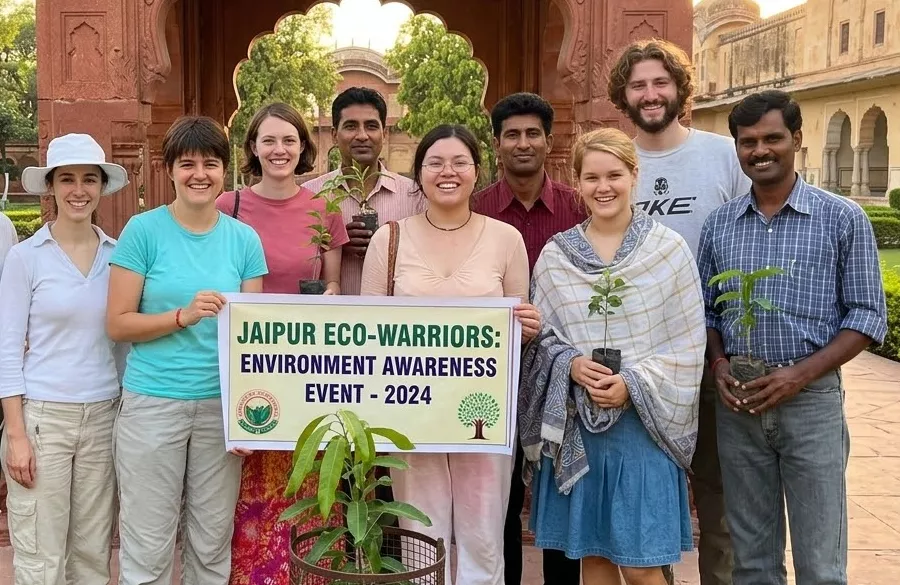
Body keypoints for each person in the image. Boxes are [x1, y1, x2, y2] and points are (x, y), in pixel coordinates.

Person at [698, 90, 887, 585]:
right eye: (747, 142)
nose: (760, 150)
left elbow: (868, 316)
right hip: (739, 406)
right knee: (753, 561)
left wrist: (798, 376)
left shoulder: (842, 218)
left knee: (820, 564)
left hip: (811, 404)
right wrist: (719, 366)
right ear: (737, 149)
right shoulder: (720, 225)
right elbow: (707, 312)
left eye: (772, 138)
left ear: (797, 140)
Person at [520, 127, 703, 585]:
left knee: (642, 569)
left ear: (634, 175)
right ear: (576, 181)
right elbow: (541, 338)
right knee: (595, 560)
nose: (604, 187)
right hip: (579, 426)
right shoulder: (556, 257)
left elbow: (687, 342)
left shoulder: (668, 251)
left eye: (614, 175)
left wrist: (631, 384)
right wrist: (572, 365)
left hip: (644, 427)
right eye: (592, 177)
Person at [360, 124, 541, 585]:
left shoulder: (505, 239)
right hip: (410, 411)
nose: (448, 172)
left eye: (459, 162)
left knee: (484, 535)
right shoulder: (390, 238)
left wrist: (526, 329)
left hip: (482, 412)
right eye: (435, 163)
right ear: (418, 174)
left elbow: (516, 326)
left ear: (476, 172)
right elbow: (367, 331)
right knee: (420, 532)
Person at [607, 38, 751, 585]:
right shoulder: (615, 161)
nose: (650, 94)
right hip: (642, 359)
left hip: (713, 351)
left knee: (719, 493)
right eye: (638, 84)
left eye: (660, 82)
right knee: (648, 490)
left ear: (679, 88)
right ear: (624, 93)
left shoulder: (720, 156)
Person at [106, 116, 268, 585]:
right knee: (148, 542)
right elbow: (117, 323)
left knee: (212, 541)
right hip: (153, 403)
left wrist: (247, 412)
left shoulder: (243, 240)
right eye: (188, 164)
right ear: (171, 169)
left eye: (211, 164)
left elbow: (251, 338)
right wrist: (182, 315)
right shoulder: (144, 231)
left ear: (226, 171)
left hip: (220, 407)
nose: (200, 174)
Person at [216, 102, 349, 585]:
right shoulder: (227, 207)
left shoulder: (324, 212)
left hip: (306, 369)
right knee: (249, 489)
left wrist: (331, 296)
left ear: (303, 147)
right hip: (248, 367)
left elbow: (332, 287)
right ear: (252, 147)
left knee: (309, 483)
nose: (279, 149)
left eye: (289, 140)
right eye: (269, 140)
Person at [0, 133, 129, 584]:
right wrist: (16, 434)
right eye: (67, 179)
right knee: (40, 554)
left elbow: (125, 343)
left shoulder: (120, 257)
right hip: (42, 420)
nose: (79, 190)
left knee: (93, 554)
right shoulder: (26, 257)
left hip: (103, 417)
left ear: (101, 186)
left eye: (89, 179)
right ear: (51, 187)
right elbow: (7, 349)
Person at [472, 91, 585, 585]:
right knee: (499, 502)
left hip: (564, 373)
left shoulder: (577, 207)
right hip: (494, 374)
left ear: (548, 140)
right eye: (511, 135)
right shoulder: (474, 210)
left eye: (532, 134)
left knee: (562, 491)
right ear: (496, 144)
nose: (522, 143)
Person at [302, 87, 424, 296]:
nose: (362, 135)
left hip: (394, 323)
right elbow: (294, 261)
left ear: (384, 134)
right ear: (334, 135)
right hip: (330, 322)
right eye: (350, 126)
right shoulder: (309, 195)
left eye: (371, 126)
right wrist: (336, 246)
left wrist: (389, 245)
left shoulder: (414, 196)